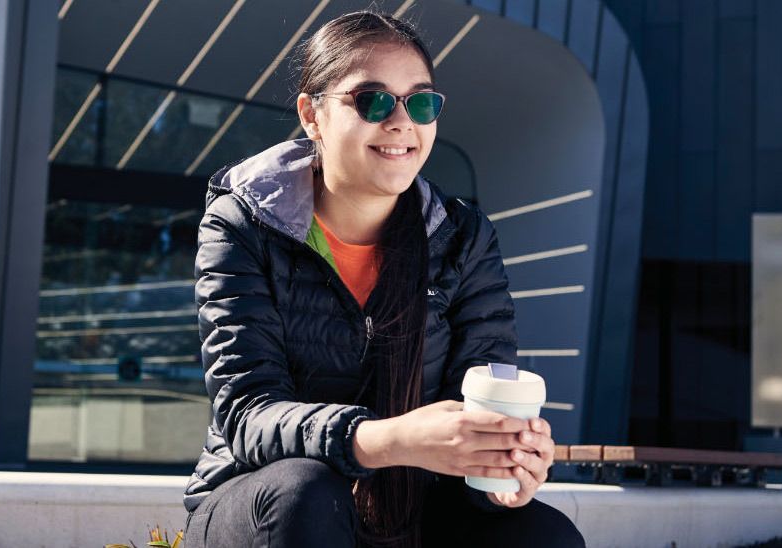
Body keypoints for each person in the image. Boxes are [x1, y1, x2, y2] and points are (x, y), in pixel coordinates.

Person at [180, 10, 585, 548]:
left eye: (420, 102)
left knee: (542, 534)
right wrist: (386, 439)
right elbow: (248, 414)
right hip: (260, 504)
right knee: (307, 492)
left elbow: (485, 397)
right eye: (372, 101)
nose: (401, 122)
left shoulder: (463, 239)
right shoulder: (242, 225)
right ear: (312, 115)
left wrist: (505, 465)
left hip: (409, 506)